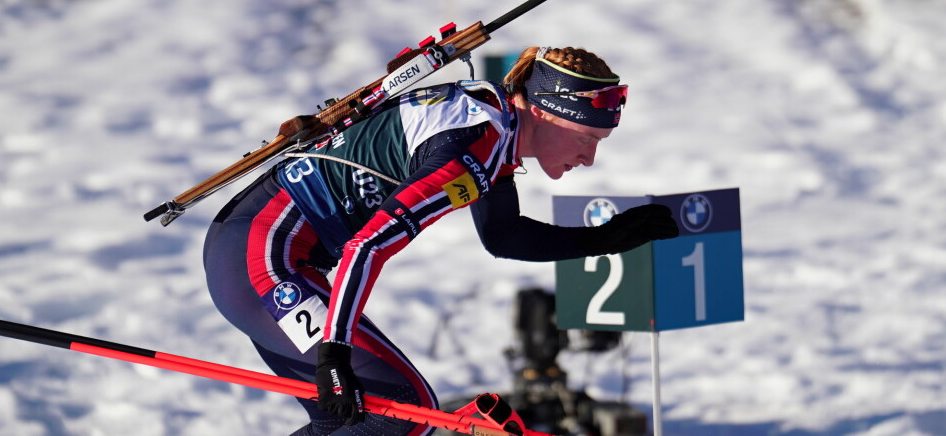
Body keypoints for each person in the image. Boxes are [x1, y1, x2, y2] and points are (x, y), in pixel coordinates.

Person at [202, 46, 679, 436]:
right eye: (585, 138)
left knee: (350, 420)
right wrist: (334, 351)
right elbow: (367, 247)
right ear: (542, 111)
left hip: (254, 249)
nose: (589, 158)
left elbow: (504, 235)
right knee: (406, 411)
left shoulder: (491, 120)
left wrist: (604, 239)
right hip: (260, 258)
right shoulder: (472, 147)